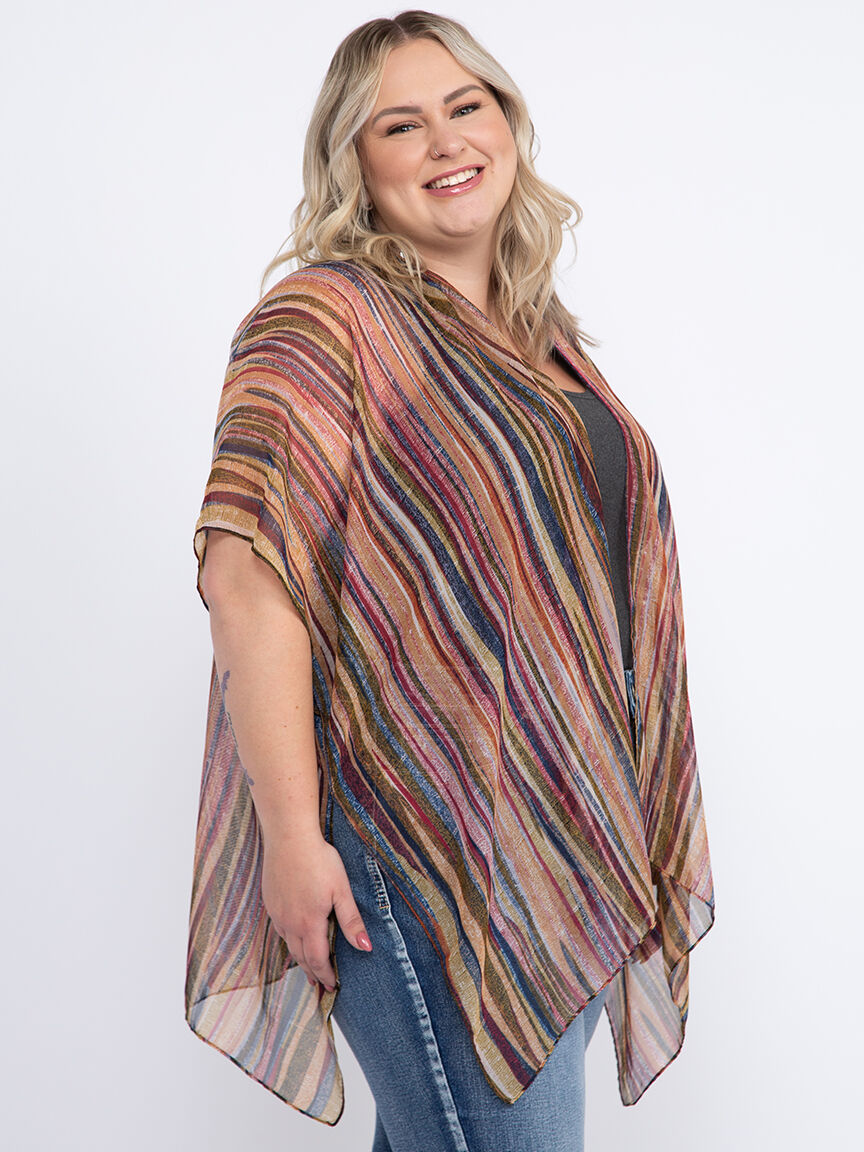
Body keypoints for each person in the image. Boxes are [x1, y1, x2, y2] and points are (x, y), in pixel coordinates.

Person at [185, 10, 715, 1151]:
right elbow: (247, 580)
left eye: (466, 107)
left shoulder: (543, 342)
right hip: (416, 849)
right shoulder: (325, 317)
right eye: (401, 125)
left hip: (556, 841)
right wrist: (292, 839)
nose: (444, 142)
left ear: (508, 121)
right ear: (355, 164)